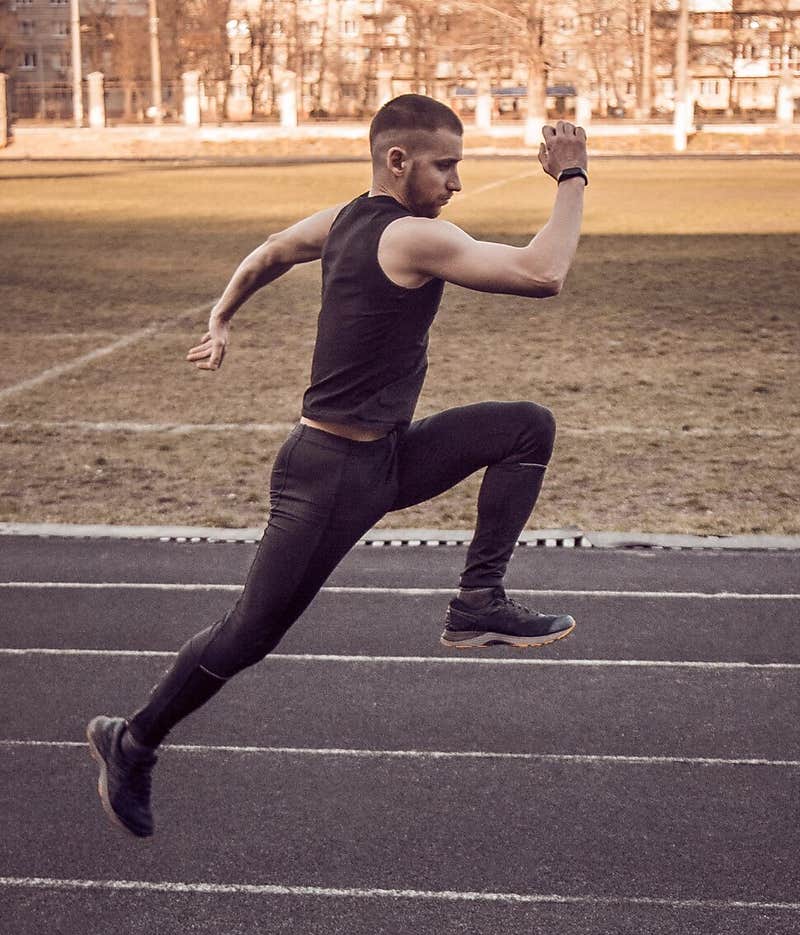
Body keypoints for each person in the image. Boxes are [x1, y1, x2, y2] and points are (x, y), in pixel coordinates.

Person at [86, 94, 589, 838]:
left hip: (386, 455)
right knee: (247, 636)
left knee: (524, 429)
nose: (455, 183)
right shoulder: (416, 238)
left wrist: (222, 316)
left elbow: (269, 253)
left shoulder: (342, 219)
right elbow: (544, 273)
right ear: (398, 160)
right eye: (445, 166)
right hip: (327, 476)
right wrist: (572, 177)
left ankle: (477, 602)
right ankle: (131, 742)